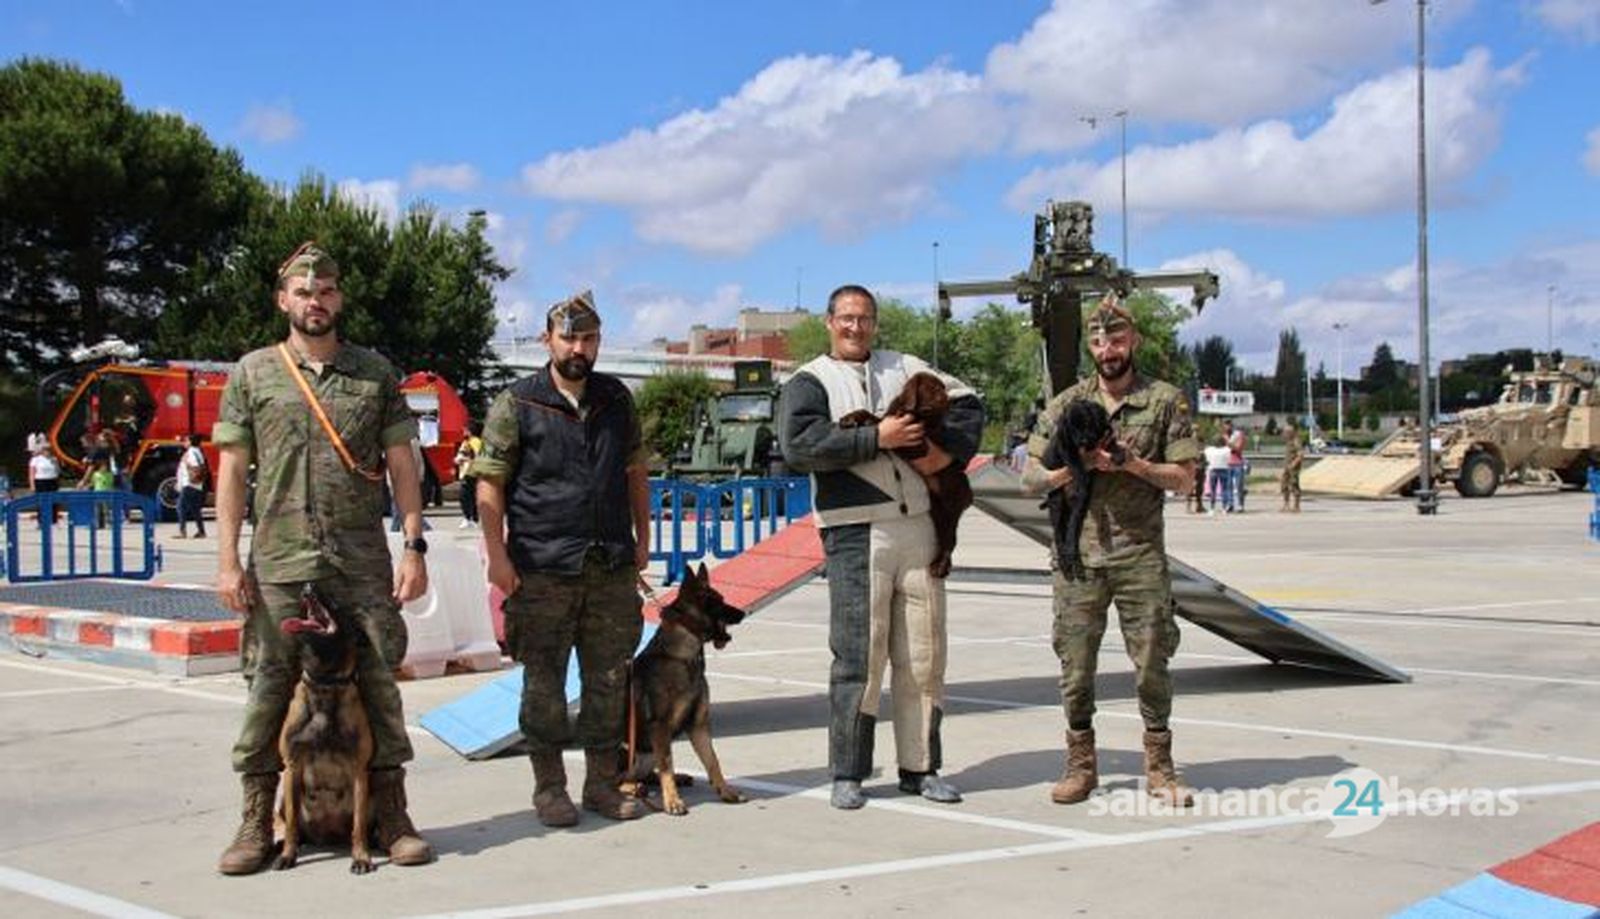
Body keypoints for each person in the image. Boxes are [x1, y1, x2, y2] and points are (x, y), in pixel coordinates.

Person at [210, 242, 434, 875]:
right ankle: (259, 817)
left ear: (340, 299)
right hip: (280, 561)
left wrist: (413, 545)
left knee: (379, 687)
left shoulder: (374, 374)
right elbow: (232, 469)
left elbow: (402, 466)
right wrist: (228, 561)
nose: (316, 302)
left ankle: (392, 816)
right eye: (304, 293)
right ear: (284, 300)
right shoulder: (253, 373)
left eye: (327, 291)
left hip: (359, 559)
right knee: (268, 689)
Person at [777, 284, 985, 809]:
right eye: (846, 318)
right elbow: (799, 446)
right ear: (829, 322)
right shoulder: (809, 381)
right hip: (852, 529)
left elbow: (970, 408)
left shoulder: (906, 366)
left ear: (875, 323)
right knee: (858, 656)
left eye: (864, 318)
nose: (855, 327)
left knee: (924, 655)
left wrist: (941, 455)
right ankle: (848, 771)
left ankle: (921, 766)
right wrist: (877, 439)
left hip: (919, 526)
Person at [474, 290, 651, 827]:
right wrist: (497, 558)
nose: (579, 347)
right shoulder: (518, 403)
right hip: (542, 567)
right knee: (544, 685)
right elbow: (490, 484)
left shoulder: (616, 398)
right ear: (546, 340)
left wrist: (643, 539)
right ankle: (550, 789)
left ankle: (601, 784)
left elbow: (635, 470)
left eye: (589, 338)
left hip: (610, 568)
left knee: (608, 681)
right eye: (569, 337)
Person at [1020, 295, 1199, 808]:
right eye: (1099, 341)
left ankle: (1160, 768)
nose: (1108, 349)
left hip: (1139, 555)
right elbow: (1030, 477)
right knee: (1075, 666)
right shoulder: (1067, 403)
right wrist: (1074, 468)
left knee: (1151, 663)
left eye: (1117, 339)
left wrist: (1132, 465)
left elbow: (1185, 480)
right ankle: (1080, 764)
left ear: (1133, 341)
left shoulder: (1164, 401)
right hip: (1078, 558)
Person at [176, 433, 208, 538]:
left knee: (180, 506)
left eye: (186, 440)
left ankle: (182, 531)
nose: (184, 442)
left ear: (191, 442)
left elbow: (196, 466)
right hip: (196, 484)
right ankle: (201, 531)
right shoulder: (198, 451)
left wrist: (190, 476)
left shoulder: (191, 452)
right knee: (195, 509)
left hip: (189, 484)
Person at [455, 421, 483, 528]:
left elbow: (477, 456)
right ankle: (474, 519)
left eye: (465, 429)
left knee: (465, 496)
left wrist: (463, 459)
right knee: (472, 496)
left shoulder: (474, 441)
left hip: (469, 472)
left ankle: (468, 518)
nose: (464, 431)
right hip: (469, 472)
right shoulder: (471, 441)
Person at [27, 439, 61, 524]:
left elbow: (58, 472)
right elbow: (31, 473)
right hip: (40, 481)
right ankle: (41, 520)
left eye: (49, 449)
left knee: (53, 501)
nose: (48, 451)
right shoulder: (36, 459)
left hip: (52, 481)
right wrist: (32, 485)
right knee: (41, 501)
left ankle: (54, 520)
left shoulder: (54, 459)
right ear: (42, 450)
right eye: (46, 449)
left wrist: (56, 464)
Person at [1280, 419, 1303, 513]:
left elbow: (1300, 455)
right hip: (1287, 467)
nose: (1284, 434)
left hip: (1293, 468)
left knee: (1294, 485)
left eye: (1286, 432)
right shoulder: (1288, 442)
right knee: (1284, 485)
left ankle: (1296, 506)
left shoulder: (1296, 441)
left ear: (1291, 433)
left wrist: (1293, 464)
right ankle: (1286, 505)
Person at [1224, 420, 1247, 512]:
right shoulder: (1224, 435)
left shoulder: (1238, 435)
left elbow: (1238, 448)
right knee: (1228, 485)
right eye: (1225, 426)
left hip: (1237, 463)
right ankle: (1230, 504)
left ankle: (1240, 505)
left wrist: (1227, 441)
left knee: (1239, 485)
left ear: (1231, 426)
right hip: (1226, 463)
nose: (1226, 428)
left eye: (1228, 426)